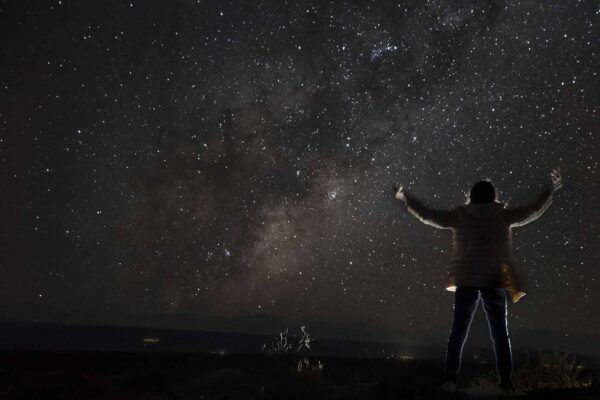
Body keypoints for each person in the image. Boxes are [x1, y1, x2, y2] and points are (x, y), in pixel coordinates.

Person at [392, 168, 563, 393]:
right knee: (500, 333)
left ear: (471, 196)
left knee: (458, 331)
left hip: (467, 278)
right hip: (494, 279)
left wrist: (407, 199)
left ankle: (450, 379)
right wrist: (550, 190)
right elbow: (532, 211)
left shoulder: (458, 216)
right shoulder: (503, 215)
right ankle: (506, 382)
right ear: (494, 195)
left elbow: (428, 216)